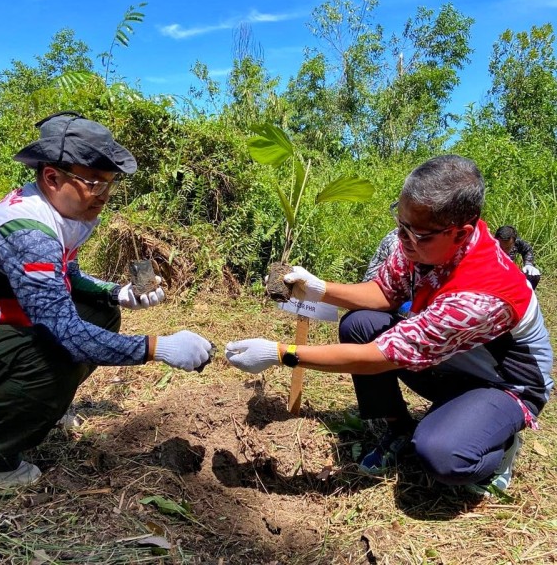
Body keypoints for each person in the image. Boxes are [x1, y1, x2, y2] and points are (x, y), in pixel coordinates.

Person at [225, 155, 553, 496]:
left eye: (417, 233)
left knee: (442, 455)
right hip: (449, 363)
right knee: (359, 324)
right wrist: (319, 288)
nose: (403, 237)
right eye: (401, 223)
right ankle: (399, 428)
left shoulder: (480, 296)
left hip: (502, 384)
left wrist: (281, 354)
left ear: (461, 233)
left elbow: (380, 355)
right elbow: (384, 292)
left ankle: (497, 446)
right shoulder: (419, 242)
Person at [0, 112, 213, 488]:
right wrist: (158, 348)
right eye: (93, 182)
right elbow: (66, 333)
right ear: (52, 177)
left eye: (109, 183)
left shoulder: (63, 212)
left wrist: (115, 293)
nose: (104, 194)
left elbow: (70, 275)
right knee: (54, 353)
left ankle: (41, 404)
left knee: (100, 313)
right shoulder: (29, 231)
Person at [495, 225, 541, 289]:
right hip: (494, 277)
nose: (504, 250)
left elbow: (527, 250)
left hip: (510, 273)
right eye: (500, 247)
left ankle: (527, 296)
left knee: (533, 275)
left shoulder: (517, 243)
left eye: (508, 248)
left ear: (514, 242)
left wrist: (528, 264)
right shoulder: (489, 245)